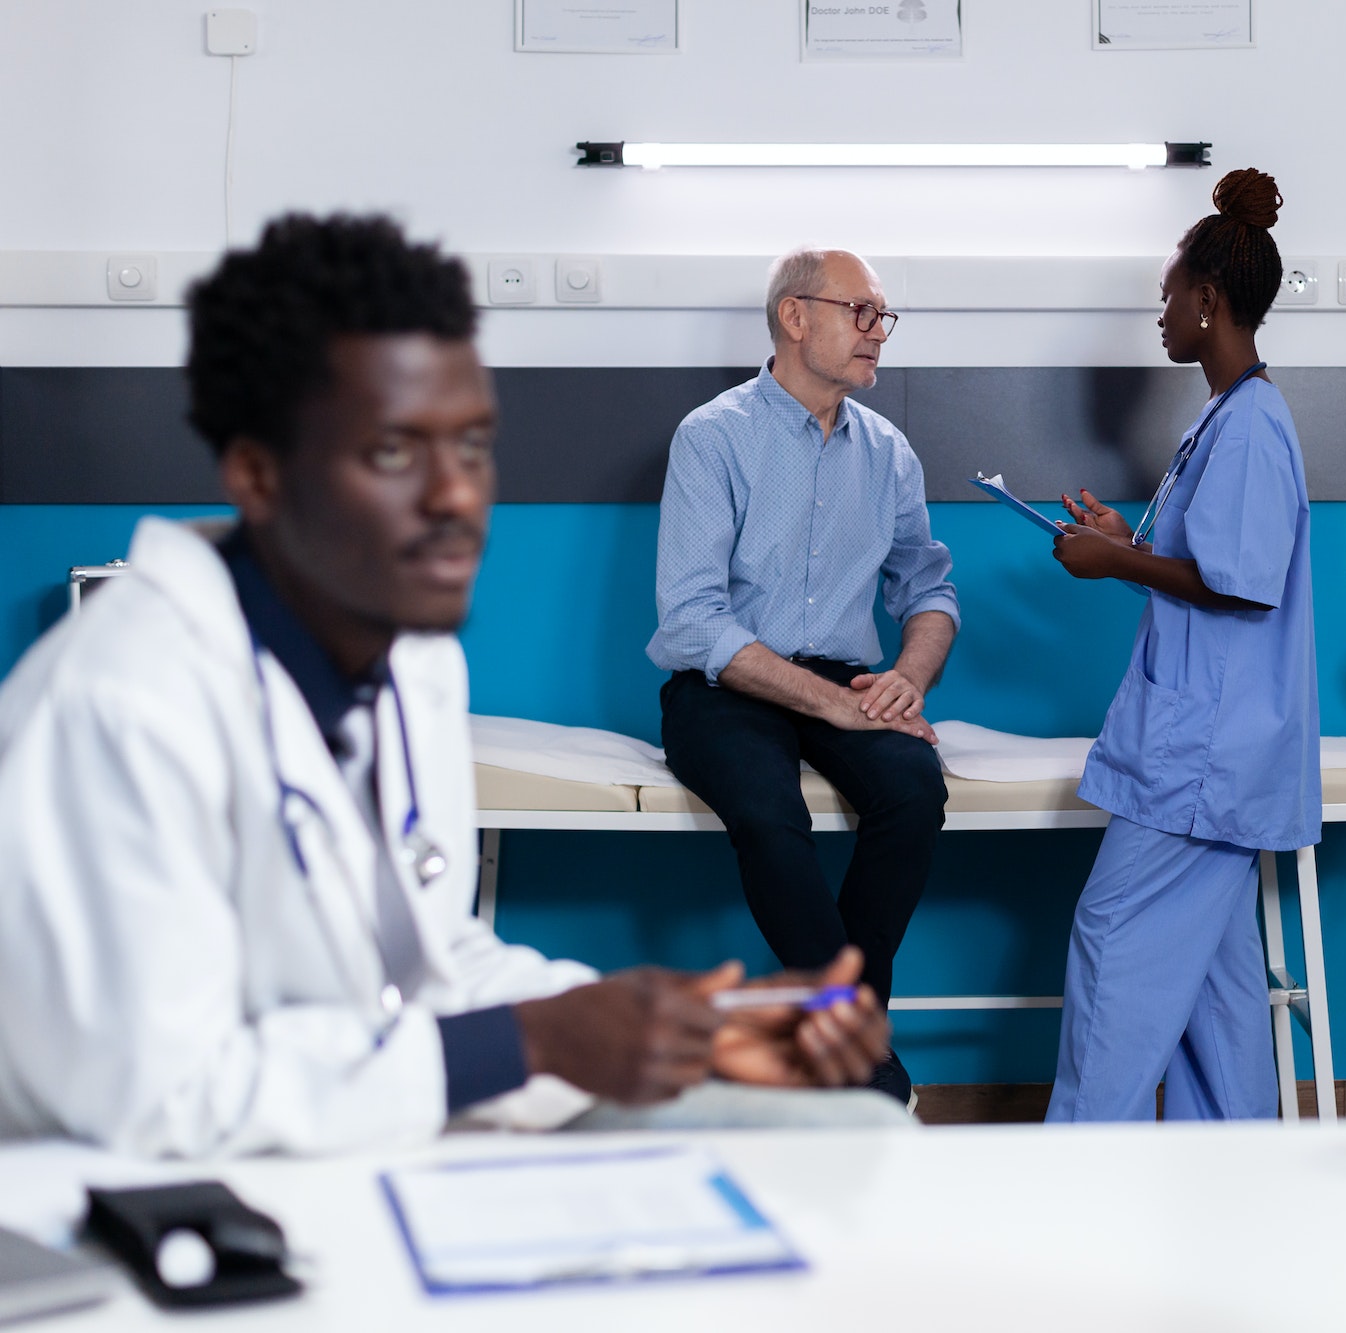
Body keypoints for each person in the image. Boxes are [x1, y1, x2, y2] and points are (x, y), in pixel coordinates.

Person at [0, 215, 902, 1159]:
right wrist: (533, 1041)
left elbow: (430, 959)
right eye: (394, 452)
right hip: (138, 1211)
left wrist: (674, 1026)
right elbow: (159, 1097)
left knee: (829, 1127)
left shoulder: (408, 663)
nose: (455, 496)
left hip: (362, 1131)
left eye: (471, 447)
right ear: (259, 475)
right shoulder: (122, 705)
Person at [649, 248, 958, 1110]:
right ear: (795, 317)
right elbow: (694, 619)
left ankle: (835, 1046)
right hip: (723, 681)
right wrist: (833, 705)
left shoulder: (889, 452)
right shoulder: (714, 436)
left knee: (912, 792)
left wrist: (907, 680)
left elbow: (930, 591)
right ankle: (860, 1056)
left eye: (882, 318)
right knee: (767, 809)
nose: (878, 334)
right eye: (861, 312)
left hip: (846, 680)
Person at [1042, 169, 1318, 1122]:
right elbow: (1214, 555)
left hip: (1205, 758)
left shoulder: (1249, 426)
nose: (1160, 311)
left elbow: (1243, 584)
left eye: (1168, 293)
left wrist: (1115, 566)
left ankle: (1076, 1174)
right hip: (1210, 744)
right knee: (1213, 989)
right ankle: (1232, 1176)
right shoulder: (1226, 417)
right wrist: (1127, 540)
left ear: (1208, 301)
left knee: (1115, 939)